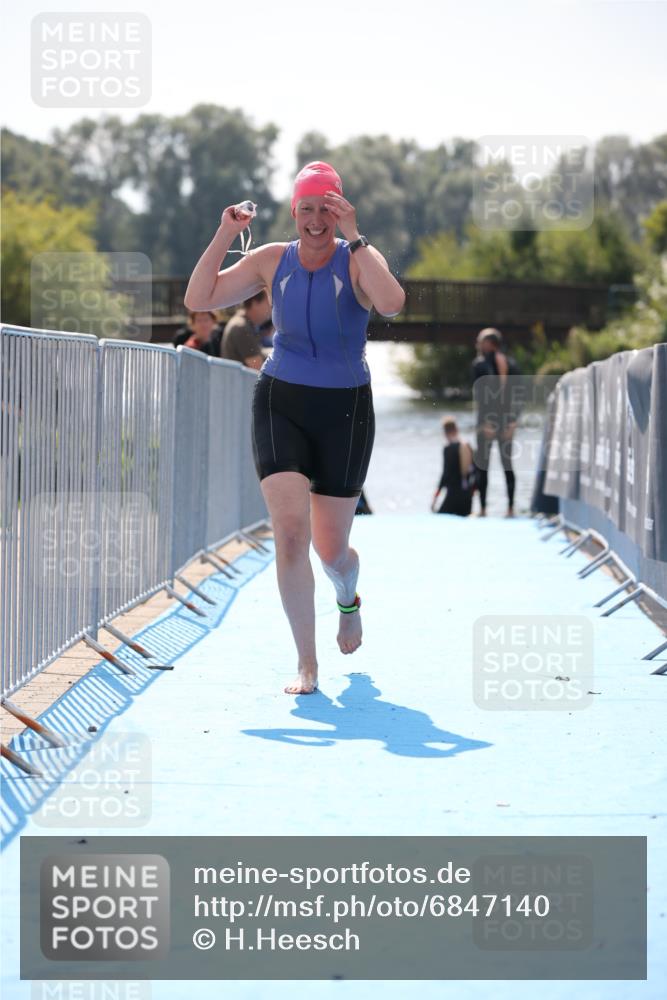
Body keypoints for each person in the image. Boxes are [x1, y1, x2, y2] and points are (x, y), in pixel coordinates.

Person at [184, 161, 405, 694]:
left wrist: (356, 238)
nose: (315, 220)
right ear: (293, 212)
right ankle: (307, 664)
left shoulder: (355, 259)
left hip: (345, 411)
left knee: (331, 549)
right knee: (289, 534)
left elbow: (393, 304)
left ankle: (347, 599)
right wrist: (225, 233)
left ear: (339, 210)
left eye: (326, 208)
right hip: (280, 399)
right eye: (306, 208)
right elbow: (199, 299)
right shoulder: (270, 259)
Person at [471, 327, 521, 517]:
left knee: (505, 465)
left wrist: (513, 422)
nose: (477, 344)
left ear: (490, 344)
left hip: (502, 422)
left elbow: (518, 395)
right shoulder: (480, 364)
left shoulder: (508, 365)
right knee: (484, 466)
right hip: (492, 423)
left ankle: (509, 509)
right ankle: (485, 509)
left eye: (480, 341)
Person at [431, 416, 475, 516]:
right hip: (467, 495)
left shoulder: (447, 448)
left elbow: (445, 475)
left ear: (445, 433)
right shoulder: (467, 445)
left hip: (453, 494)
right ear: (456, 429)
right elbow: (474, 472)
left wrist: (435, 497)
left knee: (440, 519)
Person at [220, 290, 272, 369]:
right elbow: (259, 368)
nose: (271, 308)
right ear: (255, 303)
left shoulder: (243, 324)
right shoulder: (241, 327)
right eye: (268, 303)